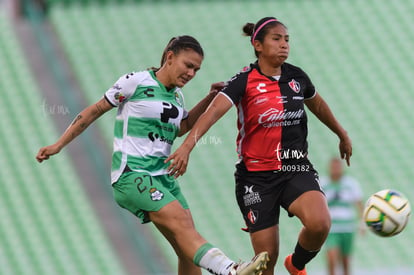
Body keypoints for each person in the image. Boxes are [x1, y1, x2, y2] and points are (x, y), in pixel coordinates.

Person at [36, 35, 269, 275]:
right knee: (182, 225)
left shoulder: (177, 96)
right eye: (188, 65)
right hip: (133, 175)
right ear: (170, 57)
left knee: (186, 247)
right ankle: (230, 269)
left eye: (196, 70)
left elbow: (182, 127)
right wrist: (59, 144)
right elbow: (93, 111)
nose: (191, 73)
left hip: (163, 177)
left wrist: (209, 98)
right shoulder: (135, 82)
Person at [165, 17, 353, 275]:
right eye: (276, 39)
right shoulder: (243, 80)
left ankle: (296, 264)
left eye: (287, 39)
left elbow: (317, 104)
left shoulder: (297, 77)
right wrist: (186, 147)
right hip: (256, 178)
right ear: (258, 45)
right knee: (265, 260)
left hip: (295, 167)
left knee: (320, 223)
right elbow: (211, 114)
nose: (284, 45)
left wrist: (341, 133)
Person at [321, 158, 364, 275]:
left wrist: (362, 223)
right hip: (331, 229)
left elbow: (359, 204)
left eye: (337, 167)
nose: (335, 169)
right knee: (331, 258)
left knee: (345, 261)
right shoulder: (322, 184)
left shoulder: (351, 184)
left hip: (347, 227)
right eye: (333, 167)